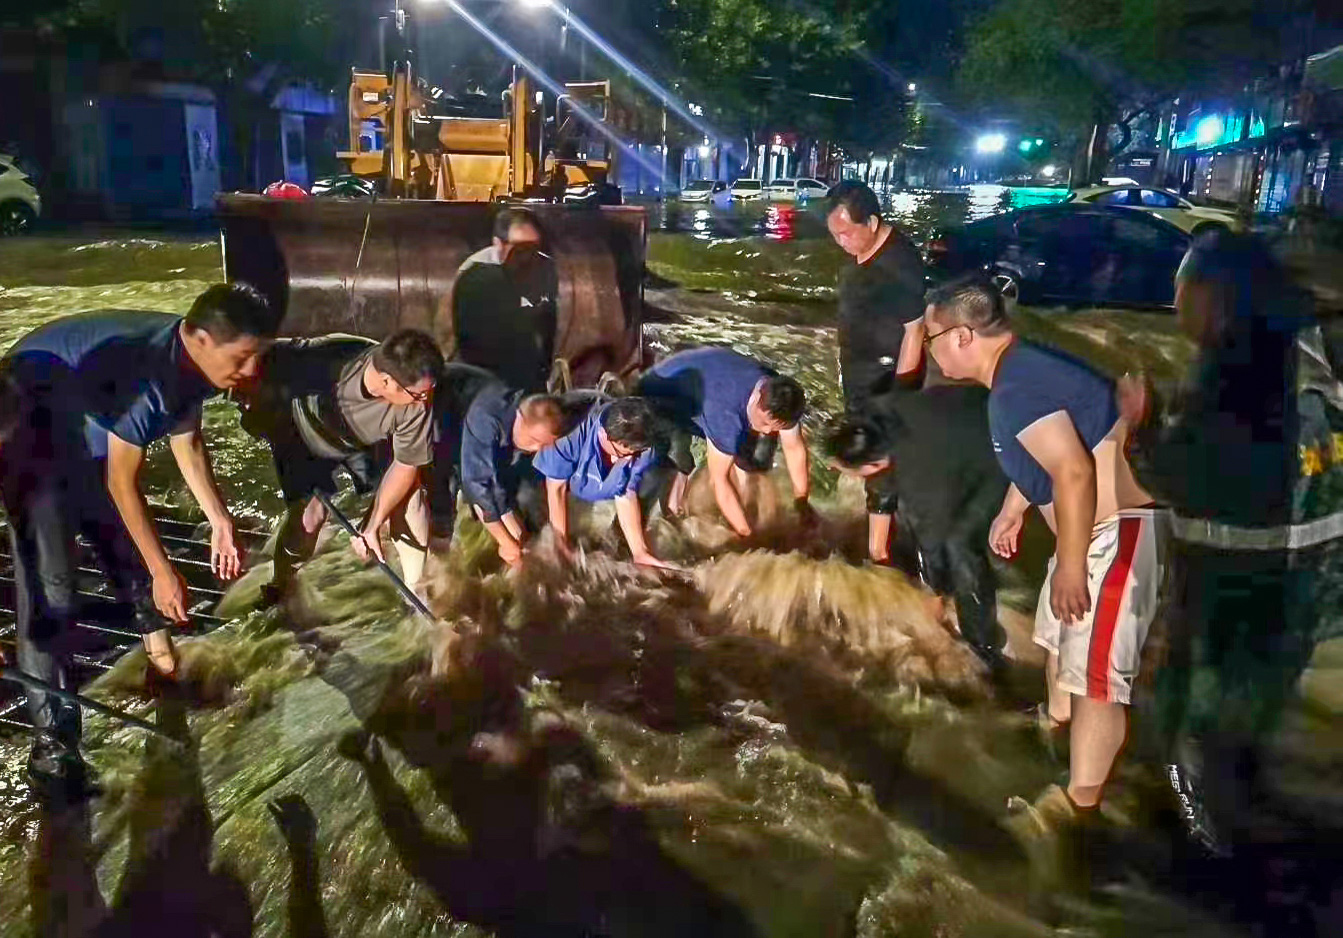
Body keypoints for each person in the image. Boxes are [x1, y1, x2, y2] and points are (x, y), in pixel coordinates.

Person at [0, 285, 275, 799]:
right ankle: (53, 754)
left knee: (127, 547)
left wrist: (219, 519)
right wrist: (164, 571)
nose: (250, 373)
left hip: (85, 420)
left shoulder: (198, 367)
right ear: (197, 338)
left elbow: (187, 441)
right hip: (28, 423)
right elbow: (123, 484)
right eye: (242, 360)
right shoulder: (153, 374)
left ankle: (161, 667)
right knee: (53, 591)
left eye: (257, 359)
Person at [1128, 230, 1343, 862]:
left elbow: (1193, 483)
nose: (1176, 307)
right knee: (1245, 725)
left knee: (1192, 735)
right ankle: (1245, 822)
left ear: (1216, 297)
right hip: (1306, 588)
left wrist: (1142, 429)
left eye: (1183, 292)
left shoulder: (1235, 381)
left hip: (1236, 588)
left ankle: (1205, 864)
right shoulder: (1306, 355)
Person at [923, 275, 1160, 830]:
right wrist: (1017, 505)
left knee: (1096, 684)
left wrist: (1073, 566)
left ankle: (1079, 813)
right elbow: (1054, 446)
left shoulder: (1014, 387)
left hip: (1112, 536)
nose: (928, 348)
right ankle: (1054, 738)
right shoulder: (1019, 373)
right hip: (1086, 535)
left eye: (932, 336)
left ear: (962, 336)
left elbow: (1074, 471)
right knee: (1059, 652)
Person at [241, 329, 442, 597]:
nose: (424, 400)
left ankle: (417, 593)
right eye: (418, 394)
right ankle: (281, 585)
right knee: (310, 517)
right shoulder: (326, 356)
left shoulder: (416, 404)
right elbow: (253, 353)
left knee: (410, 496)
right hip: (304, 436)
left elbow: (406, 465)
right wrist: (246, 395)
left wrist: (372, 525)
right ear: (386, 381)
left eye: (429, 391)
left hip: (362, 442)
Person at [825, 383, 1008, 668]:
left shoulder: (919, 478)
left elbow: (934, 537)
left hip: (999, 447)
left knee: (959, 543)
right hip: (975, 403)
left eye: (844, 468)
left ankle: (983, 647)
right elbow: (880, 485)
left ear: (872, 466)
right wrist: (877, 553)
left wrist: (934, 593)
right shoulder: (874, 416)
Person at [827, 181, 930, 564]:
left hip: (884, 379)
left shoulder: (898, 265)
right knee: (866, 451)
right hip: (861, 373)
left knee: (880, 454)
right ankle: (877, 525)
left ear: (871, 222)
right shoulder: (867, 250)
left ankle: (879, 551)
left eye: (846, 233)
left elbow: (915, 331)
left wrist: (898, 396)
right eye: (834, 234)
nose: (840, 242)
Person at [636, 346, 811, 537]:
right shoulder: (726, 415)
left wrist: (801, 502)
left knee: (753, 456)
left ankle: (746, 511)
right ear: (758, 399)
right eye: (766, 423)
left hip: (707, 378)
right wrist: (748, 538)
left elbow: (794, 448)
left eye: (776, 426)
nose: (769, 431)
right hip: (657, 396)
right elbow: (719, 481)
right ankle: (638, 531)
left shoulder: (781, 394)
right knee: (672, 463)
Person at [428, 362, 566, 567]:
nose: (537, 449)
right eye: (534, 441)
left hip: (473, 404)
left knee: (513, 503)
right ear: (521, 420)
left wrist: (520, 539)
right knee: (444, 490)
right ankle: (437, 558)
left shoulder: (526, 419)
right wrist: (506, 543)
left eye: (544, 445)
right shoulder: (486, 420)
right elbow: (476, 485)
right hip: (441, 413)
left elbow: (498, 482)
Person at [533, 396, 676, 570]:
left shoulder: (642, 447)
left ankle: (623, 543)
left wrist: (640, 551)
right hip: (565, 480)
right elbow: (556, 490)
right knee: (530, 499)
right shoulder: (569, 435)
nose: (627, 459)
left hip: (597, 484)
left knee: (654, 475)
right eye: (622, 453)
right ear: (603, 435)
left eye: (634, 453)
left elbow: (626, 494)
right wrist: (561, 544)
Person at [451, 207, 558, 392]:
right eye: (520, 248)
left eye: (534, 247)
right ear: (498, 244)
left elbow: (549, 320)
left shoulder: (546, 268)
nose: (528, 256)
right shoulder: (475, 275)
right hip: (486, 373)